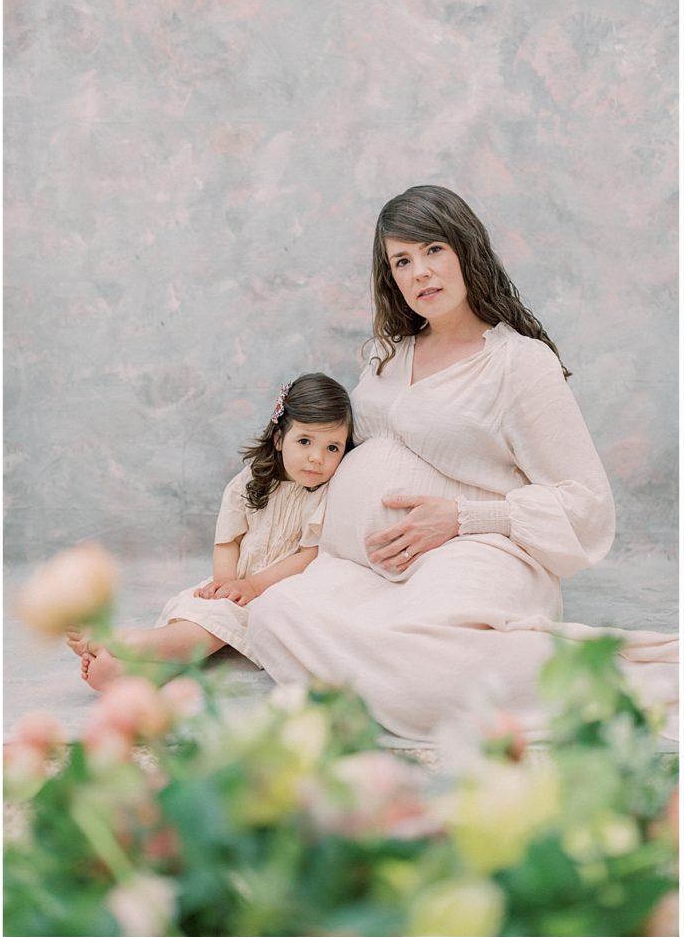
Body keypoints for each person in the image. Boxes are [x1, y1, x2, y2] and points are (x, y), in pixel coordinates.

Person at [229, 184, 674, 744]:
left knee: (428, 673)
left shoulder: (519, 364)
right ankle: (407, 671)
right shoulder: (386, 355)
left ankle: (618, 673)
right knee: (274, 615)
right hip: (362, 569)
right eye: (402, 261)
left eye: (434, 250)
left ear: (467, 250)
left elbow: (585, 504)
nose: (420, 273)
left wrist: (462, 519)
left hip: (475, 553)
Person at [66, 373, 353, 690]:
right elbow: (228, 541)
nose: (317, 457)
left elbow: (308, 555)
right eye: (304, 441)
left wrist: (253, 587)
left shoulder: (326, 495)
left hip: (276, 594)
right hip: (236, 584)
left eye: (332, 447)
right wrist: (225, 583)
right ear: (278, 438)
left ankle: (124, 641)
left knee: (205, 632)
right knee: (198, 615)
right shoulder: (250, 482)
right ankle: (128, 672)